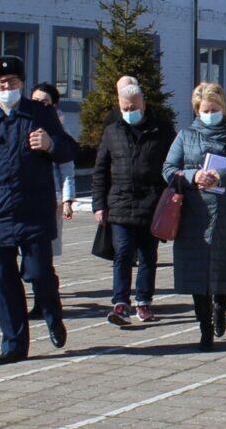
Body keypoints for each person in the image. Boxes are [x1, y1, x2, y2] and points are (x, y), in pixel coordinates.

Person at [0, 56, 78, 365]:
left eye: (13, 82)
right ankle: (14, 343)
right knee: (5, 283)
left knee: (39, 274)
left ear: (22, 84)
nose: (7, 87)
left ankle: (52, 312)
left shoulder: (40, 114)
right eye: (1, 84)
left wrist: (50, 144)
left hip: (34, 210)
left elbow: (69, 148)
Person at [162, 82, 226, 351]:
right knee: (198, 272)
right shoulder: (185, 135)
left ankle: (221, 307)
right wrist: (193, 176)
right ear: (197, 109)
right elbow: (169, 168)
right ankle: (205, 328)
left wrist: (222, 176)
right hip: (195, 213)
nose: (210, 113)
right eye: (205, 109)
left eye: (215, 109)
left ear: (224, 107)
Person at [92, 81, 176, 326]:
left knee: (148, 256)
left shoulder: (161, 130)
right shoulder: (113, 131)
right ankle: (120, 303)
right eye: (125, 107)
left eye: (134, 107)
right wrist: (99, 205)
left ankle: (144, 302)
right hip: (119, 203)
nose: (130, 112)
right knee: (123, 254)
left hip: (152, 203)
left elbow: (171, 164)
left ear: (144, 104)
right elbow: (100, 170)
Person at [27, 82, 76, 319]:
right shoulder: (24, 123)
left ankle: (44, 301)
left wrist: (67, 199)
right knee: (29, 257)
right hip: (26, 199)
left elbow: (67, 167)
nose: (39, 106)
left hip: (51, 199)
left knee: (44, 255)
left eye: (44, 102)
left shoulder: (57, 129)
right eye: (35, 101)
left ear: (53, 105)